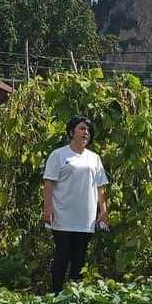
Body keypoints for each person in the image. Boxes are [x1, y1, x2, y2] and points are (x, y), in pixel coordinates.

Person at [42, 116, 110, 293]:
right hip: (63, 215)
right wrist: (47, 210)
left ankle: (75, 294)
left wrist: (103, 211)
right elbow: (49, 184)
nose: (85, 133)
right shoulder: (59, 155)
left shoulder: (94, 158)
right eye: (81, 129)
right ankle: (55, 293)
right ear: (71, 132)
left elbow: (100, 187)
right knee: (63, 254)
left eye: (88, 130)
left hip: (85, 218)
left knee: (79, 257)